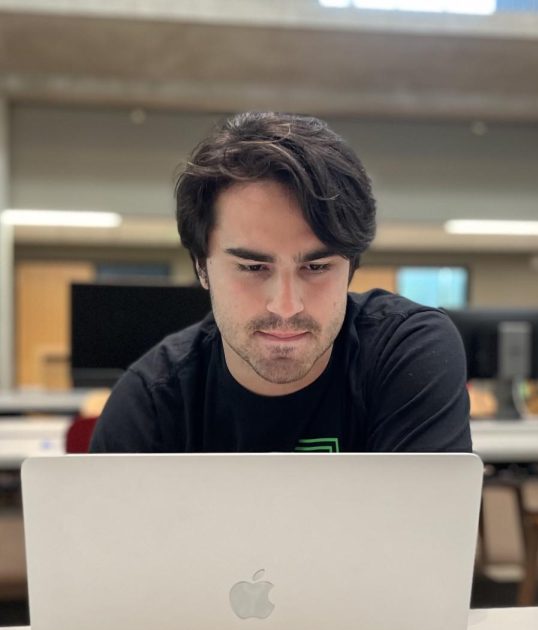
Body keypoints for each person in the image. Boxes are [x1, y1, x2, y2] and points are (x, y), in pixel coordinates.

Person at [90, 112, 471, 453]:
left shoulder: (405, 354)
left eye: (317, 267)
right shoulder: (152, 402)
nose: (286, 306)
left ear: (351, 268)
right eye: (254, 268)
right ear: (201, 267)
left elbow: (421, 532)